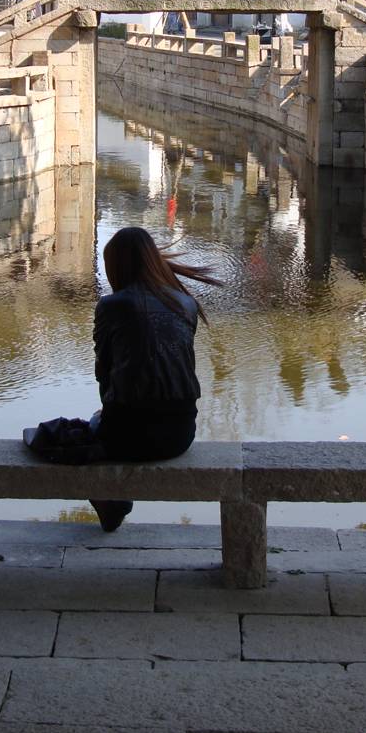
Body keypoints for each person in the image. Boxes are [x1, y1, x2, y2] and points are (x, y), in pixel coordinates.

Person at [83, 228, 221, 531]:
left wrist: (108, 413)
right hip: (181, 433)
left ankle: (113, 501)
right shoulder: (185, 304)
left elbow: (104, 375)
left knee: (93, 427)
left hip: (128, 436)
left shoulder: (112, 305)